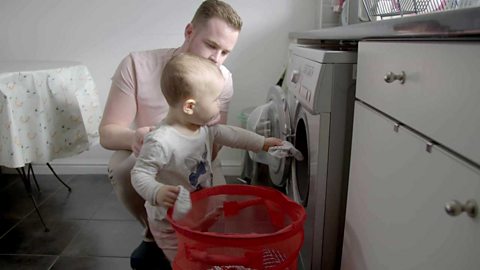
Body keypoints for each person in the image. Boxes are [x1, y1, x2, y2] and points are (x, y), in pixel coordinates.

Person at [98, 1, 243, 268]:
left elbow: (215, 143)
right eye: (211, 45)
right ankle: (154, 230)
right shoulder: (137, 64)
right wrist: (135, 137)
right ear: (189, 32)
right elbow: (107, 133)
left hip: (196, 156)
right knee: (121, 168)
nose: (216, 59)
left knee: (215, 218)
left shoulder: (222, 77)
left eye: (225, 52)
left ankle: (179, 232)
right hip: (149, 155)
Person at [131, 53, 282, 263]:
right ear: (190, 106)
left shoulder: (202, 127)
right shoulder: (161, 141)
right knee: (184, 260)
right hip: (170, 222)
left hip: (199, 208)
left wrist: (261, 142)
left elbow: (231, 134)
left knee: (201, 247)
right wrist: (157, 190)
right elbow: (139, 174)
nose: (220, 105)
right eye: (215, 100)